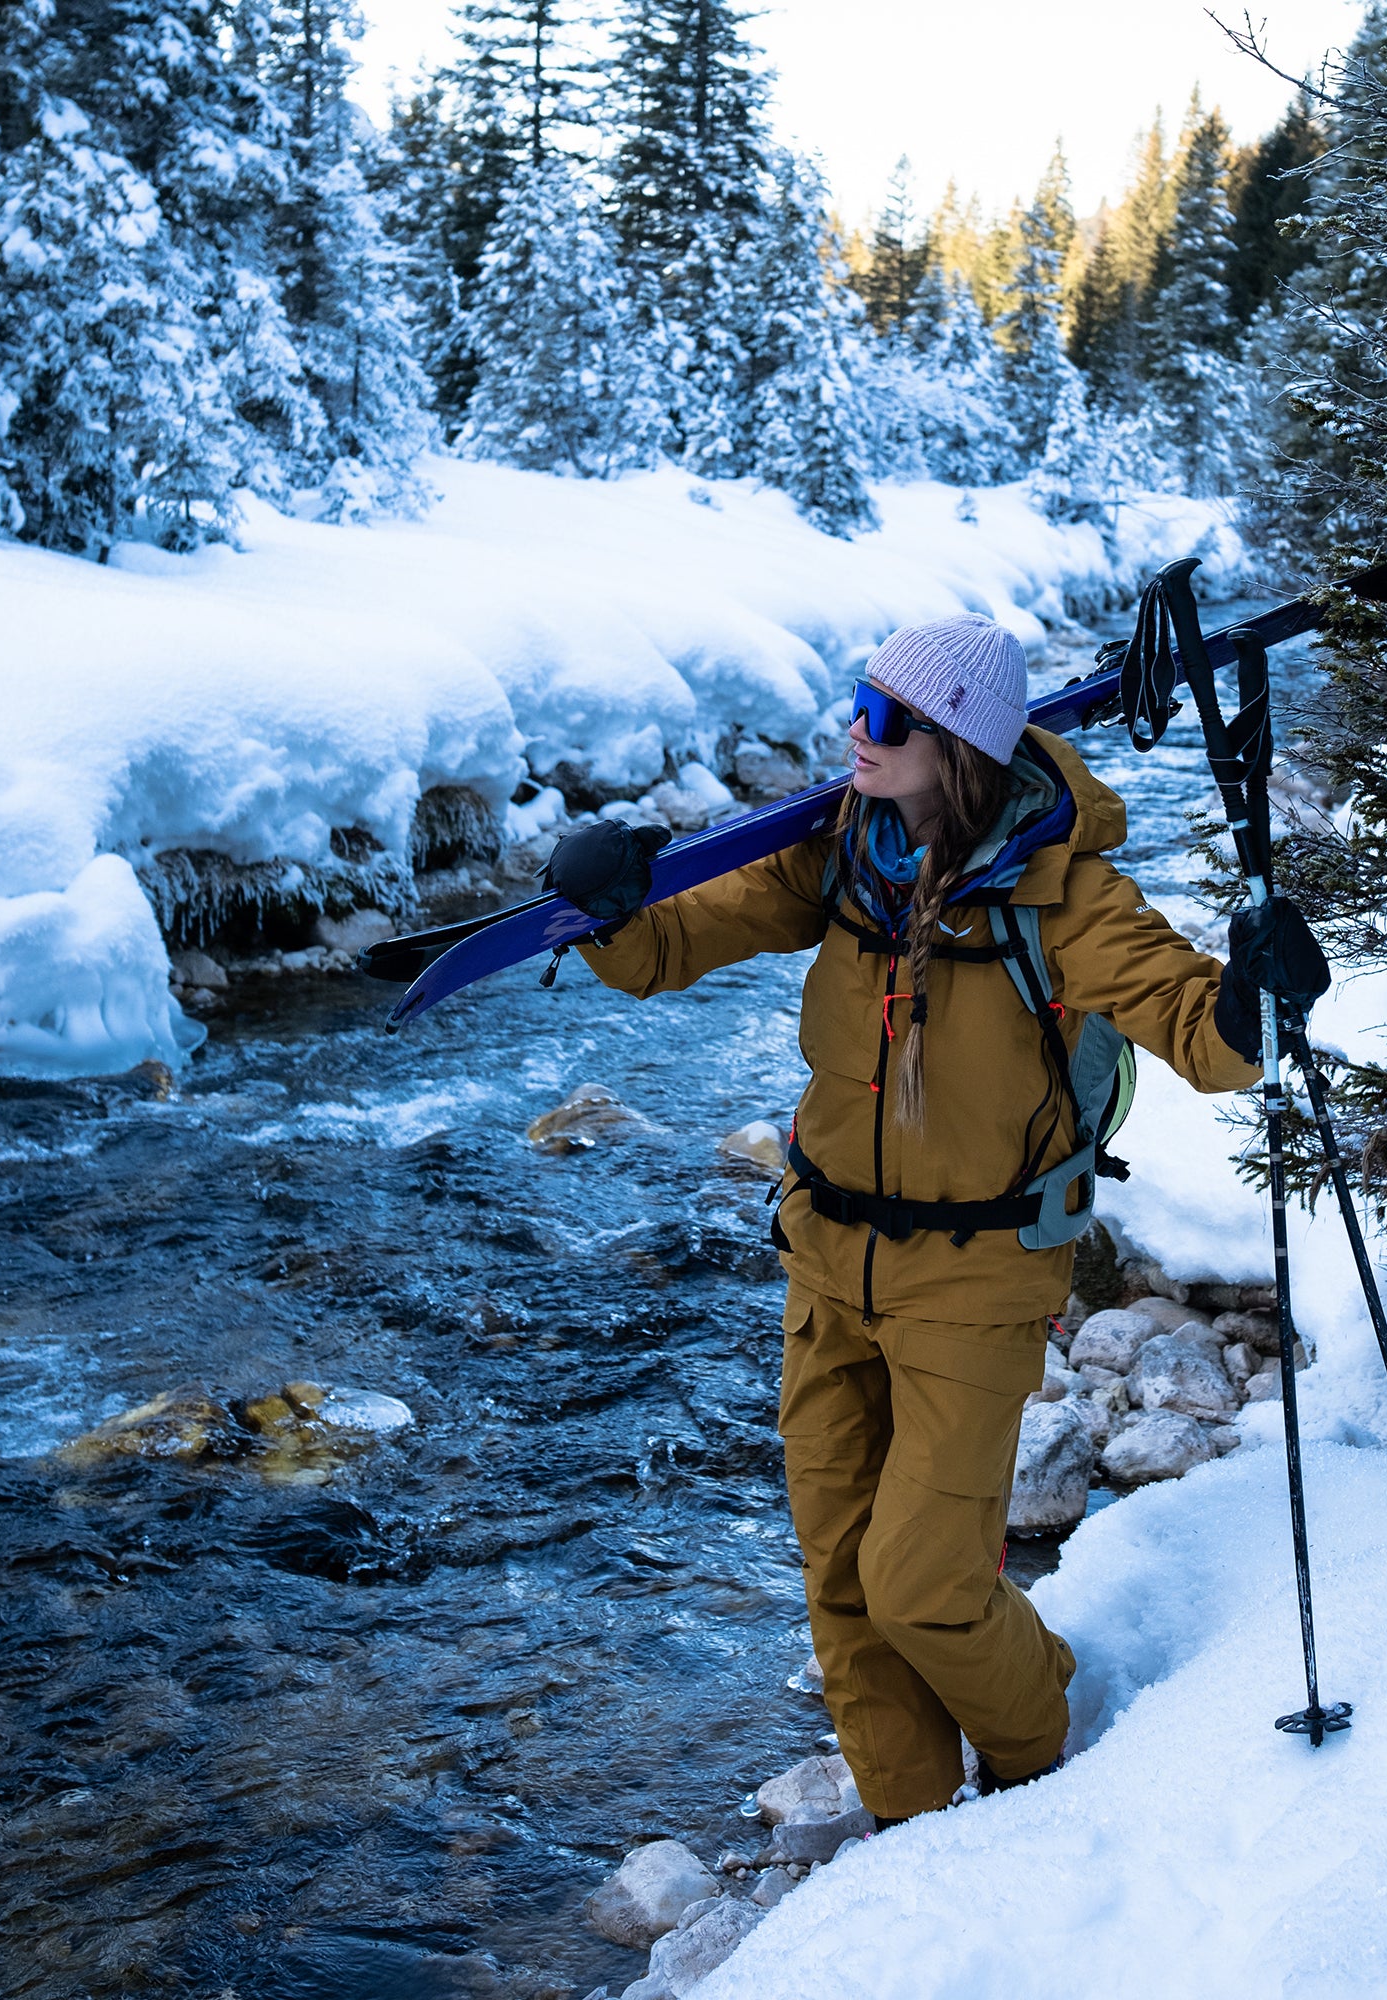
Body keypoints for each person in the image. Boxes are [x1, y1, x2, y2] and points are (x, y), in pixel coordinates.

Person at [545, 613, 1312, 1825]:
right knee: (841, 1577)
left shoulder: (1061, 893)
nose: (855, 732)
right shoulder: (837, 850)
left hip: (975, 1280)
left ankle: (1036, 1760)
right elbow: (668, 946)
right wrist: (611, 906)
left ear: (954, 745)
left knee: (921, 1581)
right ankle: (911, 1826)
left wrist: (1255, 999)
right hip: (825, 1260)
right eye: (856, 700)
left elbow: (1197, 1029)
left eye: (885, 717)